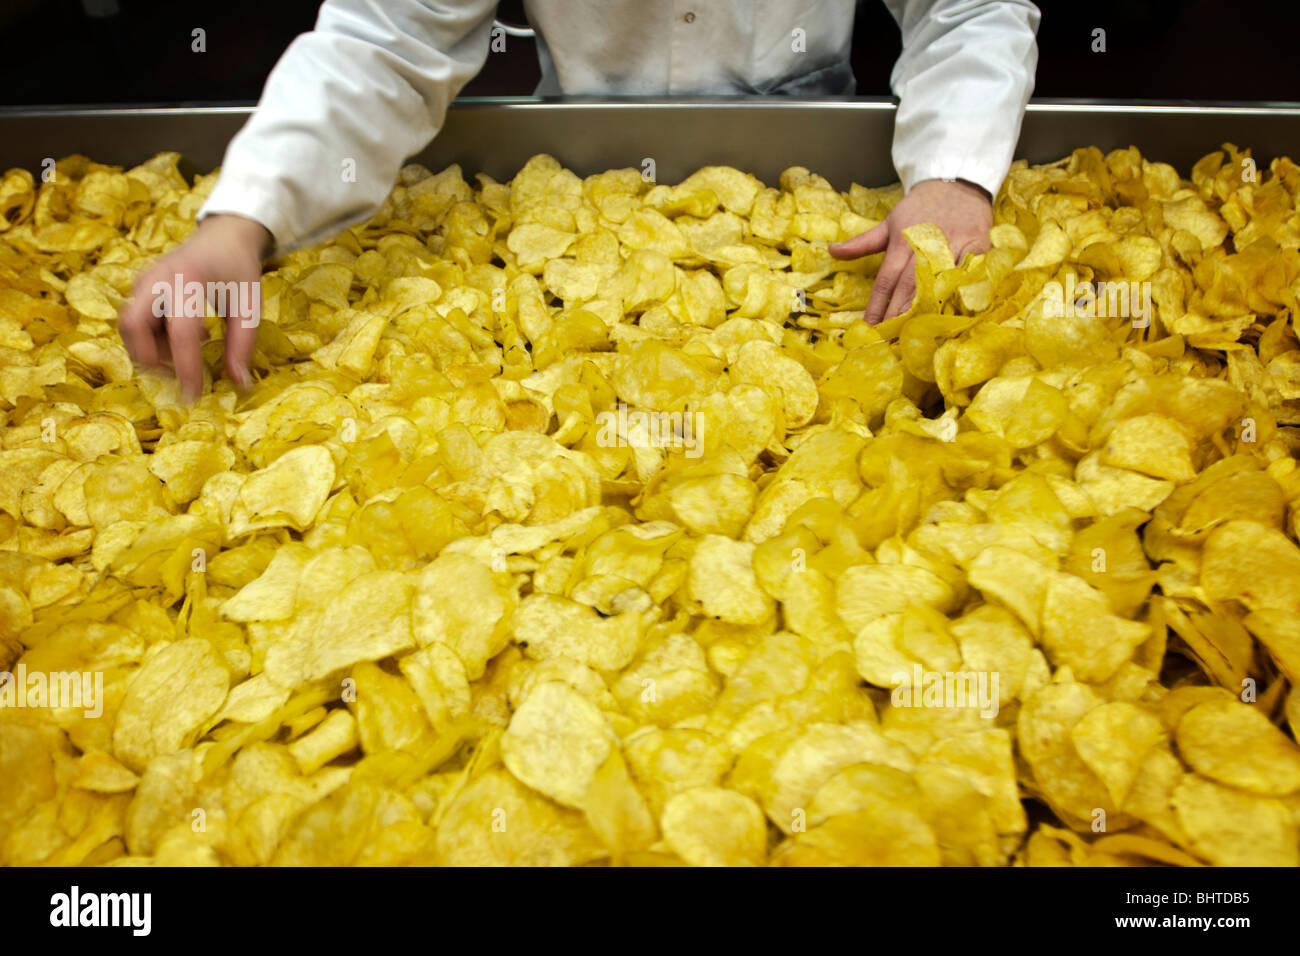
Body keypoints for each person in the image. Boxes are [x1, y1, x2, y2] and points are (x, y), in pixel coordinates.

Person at [118, 0, 1040, 400]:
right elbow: (384, 44)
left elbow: (969, 8)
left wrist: (953, 175)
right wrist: (240, 223)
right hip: (575, 198)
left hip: (824, 202)